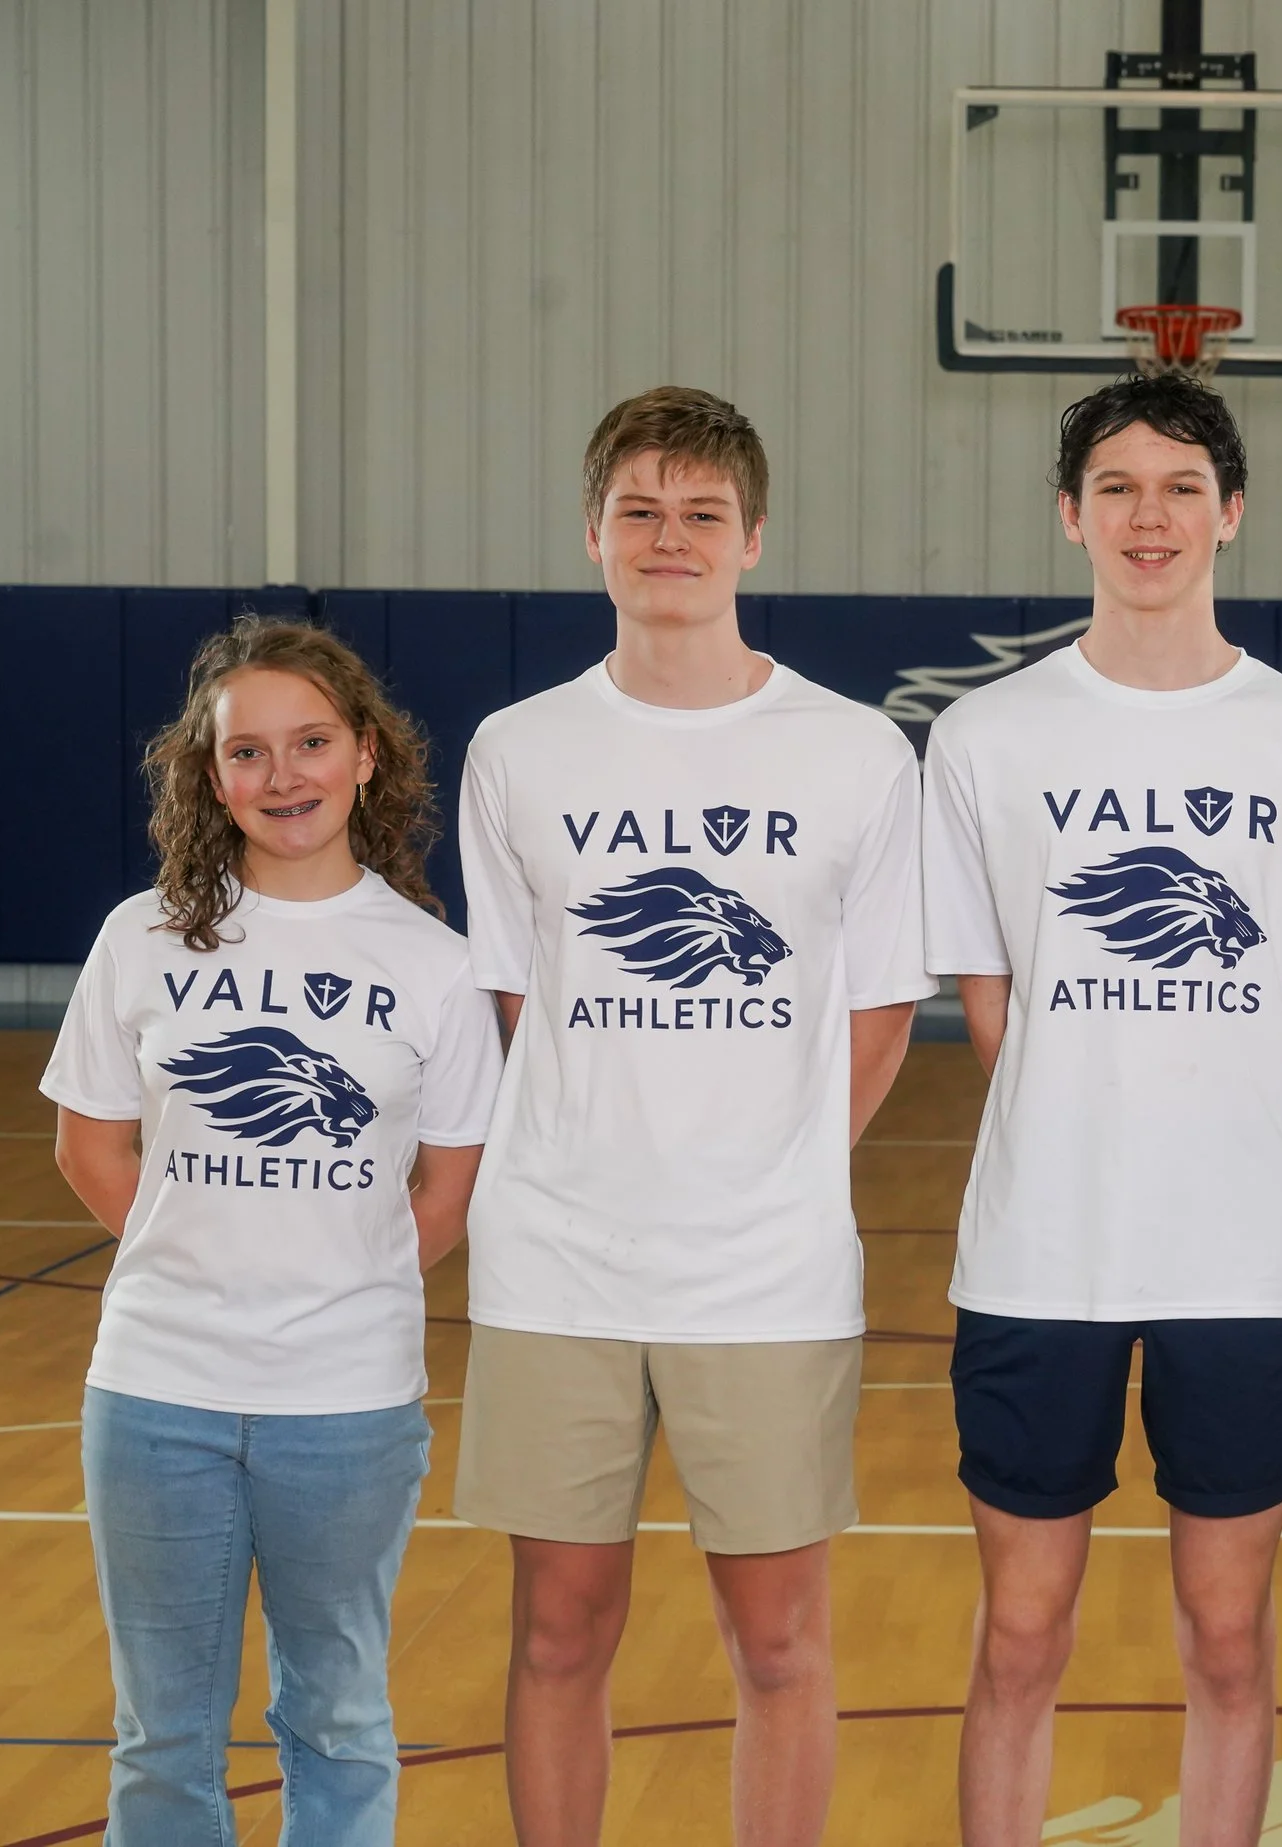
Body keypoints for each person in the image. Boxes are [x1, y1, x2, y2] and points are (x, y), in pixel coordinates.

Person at [921, 375, 1282, 1845]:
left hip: (1241, 1258)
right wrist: (1094, 1113)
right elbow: (990, 1006)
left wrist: (1194, 1117)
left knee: (1231, 1633)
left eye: (1182, 484)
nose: (1150, 513)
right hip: (1038, 1249)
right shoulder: (987, 737)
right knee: (1020, 1631)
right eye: (1117, 486)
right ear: (1071, 515)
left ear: (1231, 513)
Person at [453, 386, 930, 1847]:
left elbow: (879, 1015)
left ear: (754, 536)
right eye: (642, 511)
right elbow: (522, 1000)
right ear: (593, 532)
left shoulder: (854, 752)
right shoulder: (518, 748)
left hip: (767, 1272)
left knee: (778, 1641)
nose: (672, 538)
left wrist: (762, 1166)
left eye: (703, 512)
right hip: (558, 1262)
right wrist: (614, 1146)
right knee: (557, 1630)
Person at [43, 617, 502, 1844]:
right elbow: (92, 1145)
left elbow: (447, 1190)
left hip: (346, 1402)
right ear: (209, 773)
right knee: (163, 1736)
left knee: (341, 1716)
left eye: (310, 742)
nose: (282, 774)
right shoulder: (140, 936)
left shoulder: (435, 965)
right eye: (249, 751)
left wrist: (327, 1279)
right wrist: (200, 1253)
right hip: (154, 1388)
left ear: (365, 755)